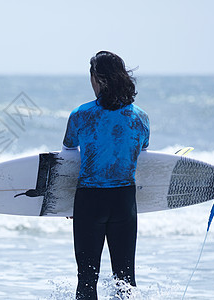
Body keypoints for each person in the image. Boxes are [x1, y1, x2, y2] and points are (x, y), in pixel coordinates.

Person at [62, 51, 150, 299]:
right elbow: (143, 159)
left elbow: (68, 156)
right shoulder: (140, 117)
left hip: (89, 201)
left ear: (97, 79)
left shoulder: (80, 114)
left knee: (87, 280)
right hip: (124, 202)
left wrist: (65, 201)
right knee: (125, 279)